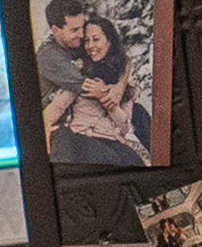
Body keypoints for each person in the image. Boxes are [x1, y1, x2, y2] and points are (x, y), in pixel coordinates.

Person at [56, 14, 148, 167]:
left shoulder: (119, 72)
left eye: (96, 39)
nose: (90, 45)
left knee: (135, 161)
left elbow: (124, 126)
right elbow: (61, 102)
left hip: (112, 137)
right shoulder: (81, 72)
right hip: (84, 136)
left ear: (109, 41)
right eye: (87, 40)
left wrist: (107, 96)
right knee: (109, 158)